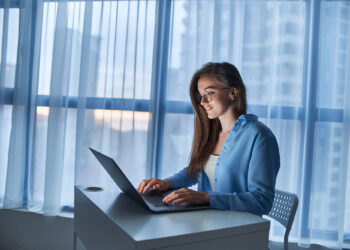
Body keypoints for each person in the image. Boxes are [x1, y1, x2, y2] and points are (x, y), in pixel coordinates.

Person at [137, 62, 280, 216]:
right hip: (209, 221)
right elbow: (197, 171)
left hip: (238, 230)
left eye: (209, 93)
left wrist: (205, 197)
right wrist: (167, 183)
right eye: (201, 96)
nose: (203, 102)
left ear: (232, 93)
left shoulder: (260, 136)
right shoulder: (213, 133)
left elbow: (262, 201)